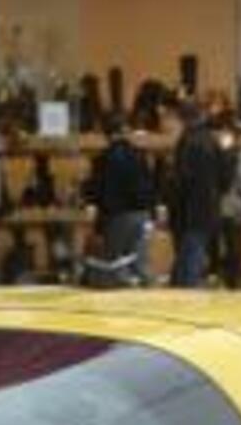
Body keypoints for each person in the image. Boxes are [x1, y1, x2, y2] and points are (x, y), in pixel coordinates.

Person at [169, 95, 233, 288]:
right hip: (207, 207)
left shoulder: (187, 142)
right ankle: (185, 290)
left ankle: (185, 295)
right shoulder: (212, 141)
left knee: (189, 258)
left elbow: (181, 180)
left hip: (189, 209)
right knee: (193, 254)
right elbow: (225, 176)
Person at [89, 114, 158, 278]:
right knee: (140, 263)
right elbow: (149, 185)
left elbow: (102, 193)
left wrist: (99, 225)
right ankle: (147, 293)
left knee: (116, 265)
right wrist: (152, 213)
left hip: (118, 216)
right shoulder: (139, 155)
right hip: (142, 214)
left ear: (106, 134)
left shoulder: (103, 159)